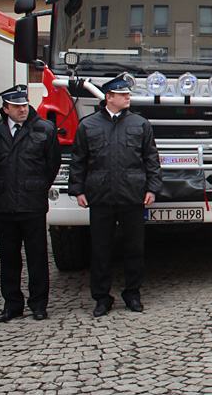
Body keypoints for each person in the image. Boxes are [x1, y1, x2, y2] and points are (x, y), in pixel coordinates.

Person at [69, 75, 162, 317]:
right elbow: (78, 161)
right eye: (122, 94)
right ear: (108, 97)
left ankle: (132, 294)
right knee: (100, 250)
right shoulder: (88, 126)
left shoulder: (140, 124)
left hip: (132, 195)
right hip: (101, 196)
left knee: (134, 248)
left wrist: (152, 187)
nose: (127, 96)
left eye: (127, 93)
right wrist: (78, 190)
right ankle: (101, 298)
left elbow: (151, 159)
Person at [0, 85, 61, 322]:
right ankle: (12, 305)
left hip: (32, 203)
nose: (22, 110)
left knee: (37, 258)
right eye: (16, 106)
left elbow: (52, 164)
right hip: (4, 204)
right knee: (9, 259)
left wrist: (35, 186)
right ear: (5, 109)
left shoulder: (44, 129)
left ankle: (38, 305)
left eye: (24, 105)